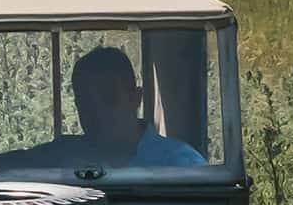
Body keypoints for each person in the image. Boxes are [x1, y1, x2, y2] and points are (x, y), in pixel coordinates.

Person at [33, 45, 203, 167]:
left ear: (136, 98)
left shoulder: (180, 163)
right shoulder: (63, 156)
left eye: (109, 98)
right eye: (86, 103)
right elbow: (11, 166)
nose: (98, 112)